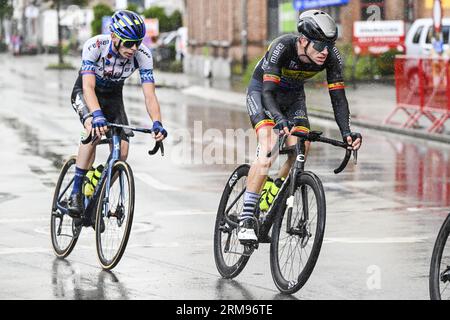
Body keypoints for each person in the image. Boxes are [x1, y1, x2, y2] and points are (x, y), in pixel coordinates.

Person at [238, 10, 362, 243]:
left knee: (302, 148)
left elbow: (338, 98)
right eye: (319, 46)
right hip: (263, 93)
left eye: (328, 46)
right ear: (303, 41)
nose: (324, 52)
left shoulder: (330, 55)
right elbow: (268, 92)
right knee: (270, 145)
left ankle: (274, 189)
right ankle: (246, 219)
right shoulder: (282, 47)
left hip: (294, 97)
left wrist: (346, 132)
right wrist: (278, 120)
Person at [68, 10, 168, 217]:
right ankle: (76, 191)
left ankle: (97, 193)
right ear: (114, 36)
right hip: (88, 93)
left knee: (122, 152)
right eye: (129, 43)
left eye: (138, 43)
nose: (133, 48)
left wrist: (157, 122)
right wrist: (95, 115)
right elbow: (87, 87)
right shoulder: (95, 46)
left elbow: (150, 95)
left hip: (113, 96)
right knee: (93, 131)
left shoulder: (143, 55)